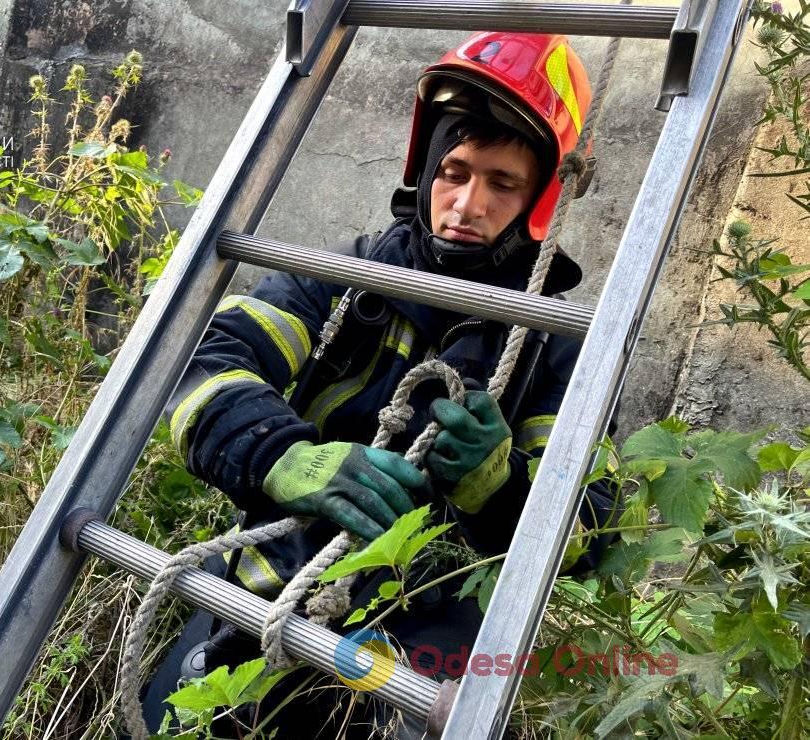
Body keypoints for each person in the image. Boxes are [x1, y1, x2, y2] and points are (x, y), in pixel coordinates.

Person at [143, 31, 619, 739]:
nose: (465, 203)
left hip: (425, 647)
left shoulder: (557, 348)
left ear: (539, 199)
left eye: (501, 183)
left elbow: (591, 530)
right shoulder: (344, 281)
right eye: (454, 171)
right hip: (264, 598)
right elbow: (196, 363)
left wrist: (499, 488)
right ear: (424, 169)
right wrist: (280, 456)